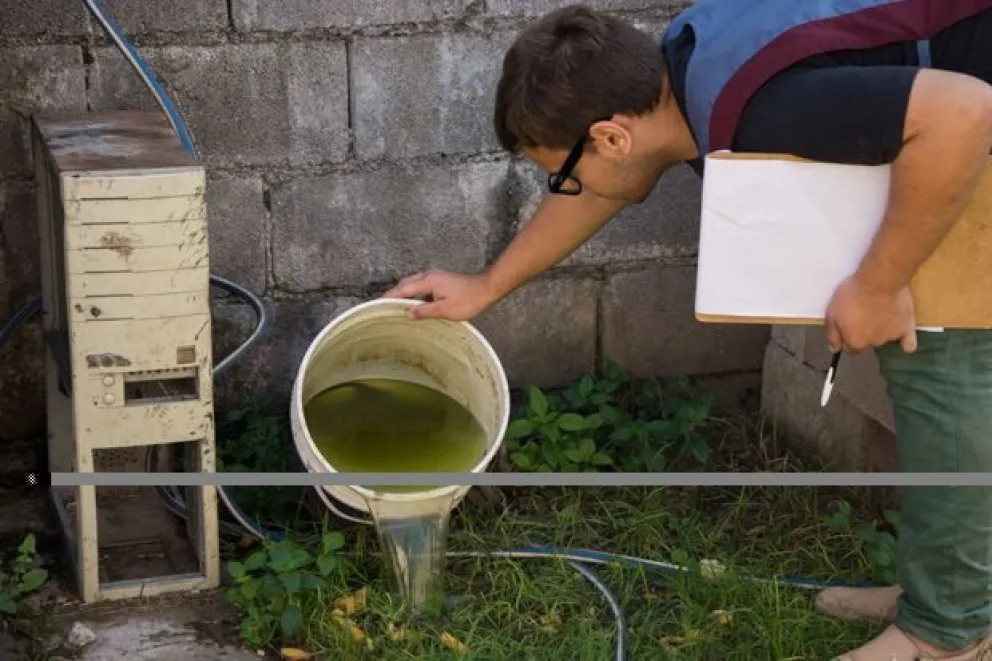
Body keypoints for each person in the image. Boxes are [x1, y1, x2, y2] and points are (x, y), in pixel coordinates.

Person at [384, 2, 992, 659]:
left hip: (962, 115)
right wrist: (487, 285)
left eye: (561, 171)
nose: (569, 186)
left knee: (941, 366)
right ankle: (942, 590)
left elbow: (962, 114)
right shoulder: (681, 57)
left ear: (613, 138)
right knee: (930, 353)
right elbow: (596, 190)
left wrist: (877, 284)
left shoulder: (759, 106)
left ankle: (947, 633)